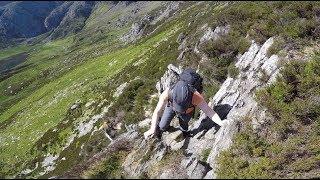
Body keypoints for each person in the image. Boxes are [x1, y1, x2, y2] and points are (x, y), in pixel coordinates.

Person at [144, 68, 224, 139]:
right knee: (162, 126)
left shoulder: (196, 96)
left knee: (184, 123)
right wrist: (152, 129)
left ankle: (185, 132)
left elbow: (209, 111)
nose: (179, 110)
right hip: (171, 106)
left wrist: (221, 123)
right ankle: (163, 127)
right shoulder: (167, 93)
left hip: (188, 111)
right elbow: (157, 111)